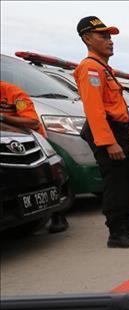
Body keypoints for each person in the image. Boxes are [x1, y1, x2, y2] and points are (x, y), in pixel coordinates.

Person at [74, 16, 129, 248]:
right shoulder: (90, 68)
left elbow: (117, 109)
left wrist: (126, 137)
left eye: (110, 36)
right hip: (108, 132)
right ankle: (117, 232)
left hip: (119, 130)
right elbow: (94, 110)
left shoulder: (104, 68)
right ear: (87, 38)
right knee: (116, 182)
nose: (110, 41)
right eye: (103, 36)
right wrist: (108, 142)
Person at [0, 81, 69, 233]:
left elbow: (32, 122)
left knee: (50, 178)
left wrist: (3, 117)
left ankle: (58, 215)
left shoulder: (12, 92)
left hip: (32, 140)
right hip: (7, 145)